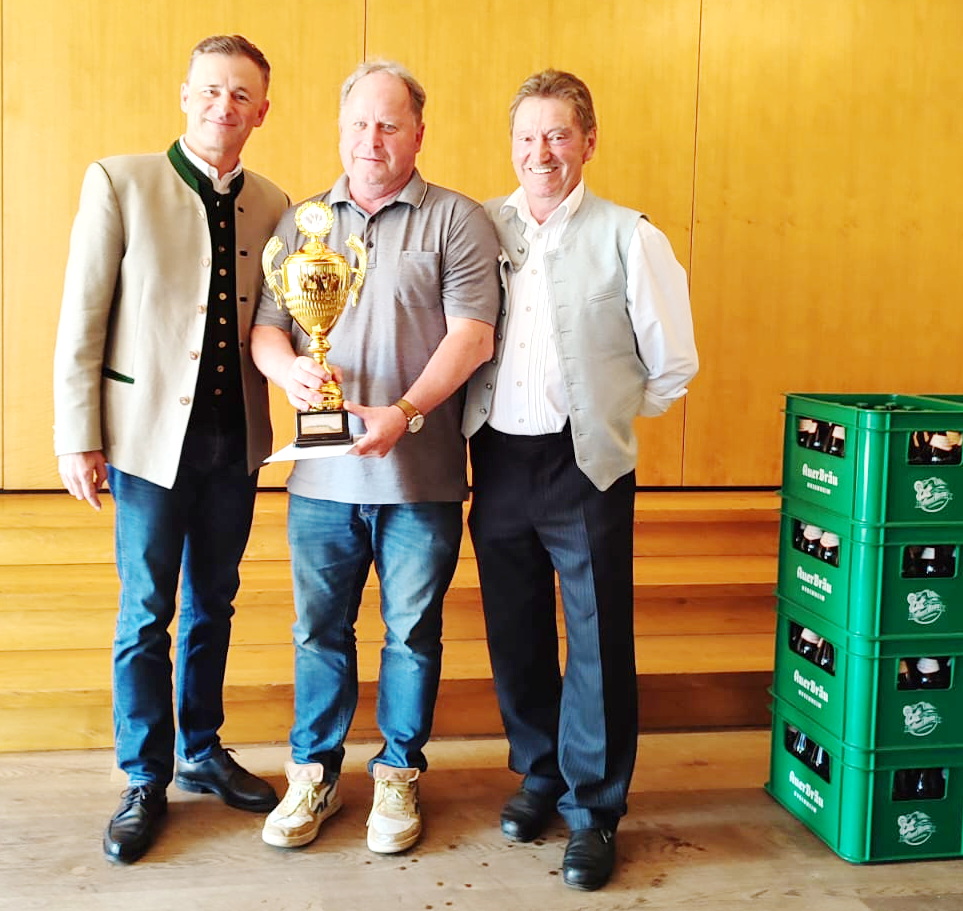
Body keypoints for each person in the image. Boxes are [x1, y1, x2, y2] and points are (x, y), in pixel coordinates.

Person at [250, 59, 499, 855]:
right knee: (318, 631)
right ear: (340, 129)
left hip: (419, 478)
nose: (371, 139)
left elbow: (472, 335)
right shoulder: (301, 223)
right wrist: (288, 369)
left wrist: (405, 412)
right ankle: (313, 773)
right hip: (320, 479)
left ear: (417, 134)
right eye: (359, 123)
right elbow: (267, 327)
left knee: (411, 633)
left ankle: (397, 772)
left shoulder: (456, 220)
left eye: (389, 124)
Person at [52, 35, 289, 864]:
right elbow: (83, 317)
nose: (224, 106)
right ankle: (144, 773)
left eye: (241, 95)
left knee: (214, 600)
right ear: (185, 95)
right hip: (147, 439)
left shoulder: (276, 203)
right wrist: (78, 434)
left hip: (237, 438)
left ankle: (202, 746)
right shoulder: (120, 181)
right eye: (211, 90)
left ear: (262, 112)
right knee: (147, 607)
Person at [463, 70, 699, 891]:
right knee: (514, 624)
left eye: (557, 135)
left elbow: (671, 363)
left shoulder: (630, 236)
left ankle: (594, 806)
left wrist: (606, 417)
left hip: (585, 462)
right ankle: (540, 772)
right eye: (526, 137)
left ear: (588, 142)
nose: (541, 152)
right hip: (495, 458)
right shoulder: (479, 226)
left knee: (597, 634)